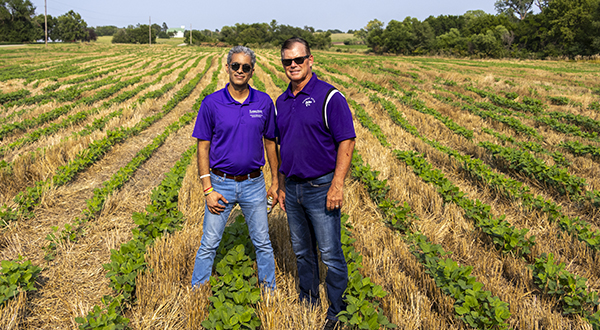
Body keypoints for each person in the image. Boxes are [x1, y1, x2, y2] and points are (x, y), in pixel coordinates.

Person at [275, 37, 356, 330]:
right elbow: (282, 145)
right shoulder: (281, 102)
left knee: (330, 253)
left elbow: (346, 140)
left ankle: (337, 311)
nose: (293, 65)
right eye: (287, 61)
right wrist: (282, 184)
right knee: (302, 251)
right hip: (293, 188)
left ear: (311, 60)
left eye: (298, 60)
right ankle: (308, 301)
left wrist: (337, 184)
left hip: (321, 187)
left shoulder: (330, 96)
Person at [191, 45, 278, 291]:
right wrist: (207, 190)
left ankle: (269, 290)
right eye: (236, 66)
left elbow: (270, 142)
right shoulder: (211, 103)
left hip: (253, 184)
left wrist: (274, 182)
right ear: (227, 67)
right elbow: (203, 148)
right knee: (209, 242)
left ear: (252, 71)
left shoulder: (263, 102)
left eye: (246, 67)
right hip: (220, 184)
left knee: (262, 242)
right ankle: (197, 289)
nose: (240, 70)